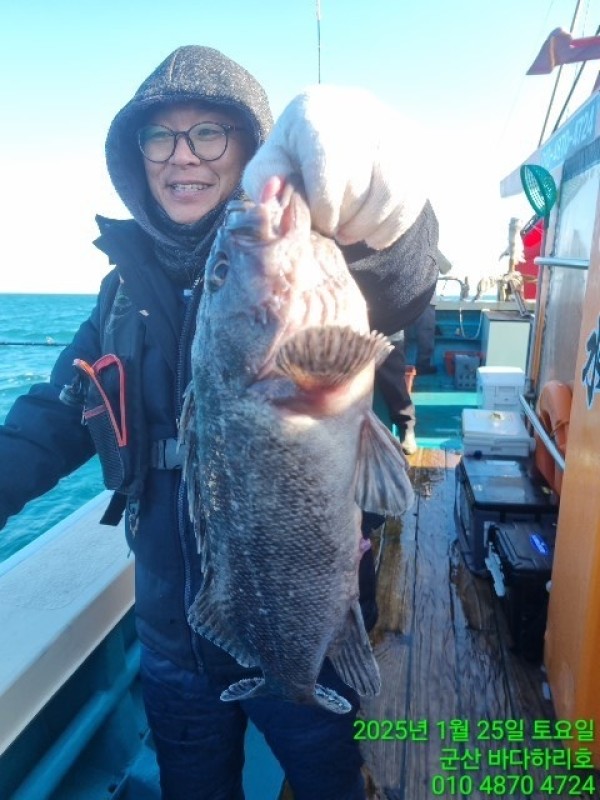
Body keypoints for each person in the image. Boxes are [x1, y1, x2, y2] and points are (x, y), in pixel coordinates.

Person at [0, 46, 440, 800]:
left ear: (250, 146)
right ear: (135, 157)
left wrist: (388, 202)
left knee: (331, 782)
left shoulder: (303, 253)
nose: (182, 156)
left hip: (306, 616)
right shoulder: (119, 295)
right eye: (160, 137)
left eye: (209, 133)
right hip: (172, 638)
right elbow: (53, 416)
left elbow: (399, 281)